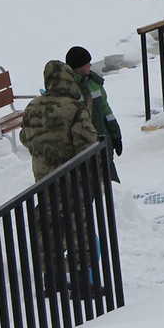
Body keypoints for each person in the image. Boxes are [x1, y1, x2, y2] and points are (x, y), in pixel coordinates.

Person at [19, 60, 102, 295]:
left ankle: (52, 283)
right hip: (71, 181)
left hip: (44, 183)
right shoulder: (74, 108)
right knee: (78, 230)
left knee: (49, 232)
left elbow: (26, 138)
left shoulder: (32, 107)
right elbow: (86, 142)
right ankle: (81, 285)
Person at [66, 45, 123, 183]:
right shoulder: (69, 88)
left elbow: (106, 111)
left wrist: (115, 134)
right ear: (79, 68)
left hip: (104, 142)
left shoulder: (94, 83)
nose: (90, 65)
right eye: (87, 63)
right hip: (83, 149)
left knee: (111, 184)